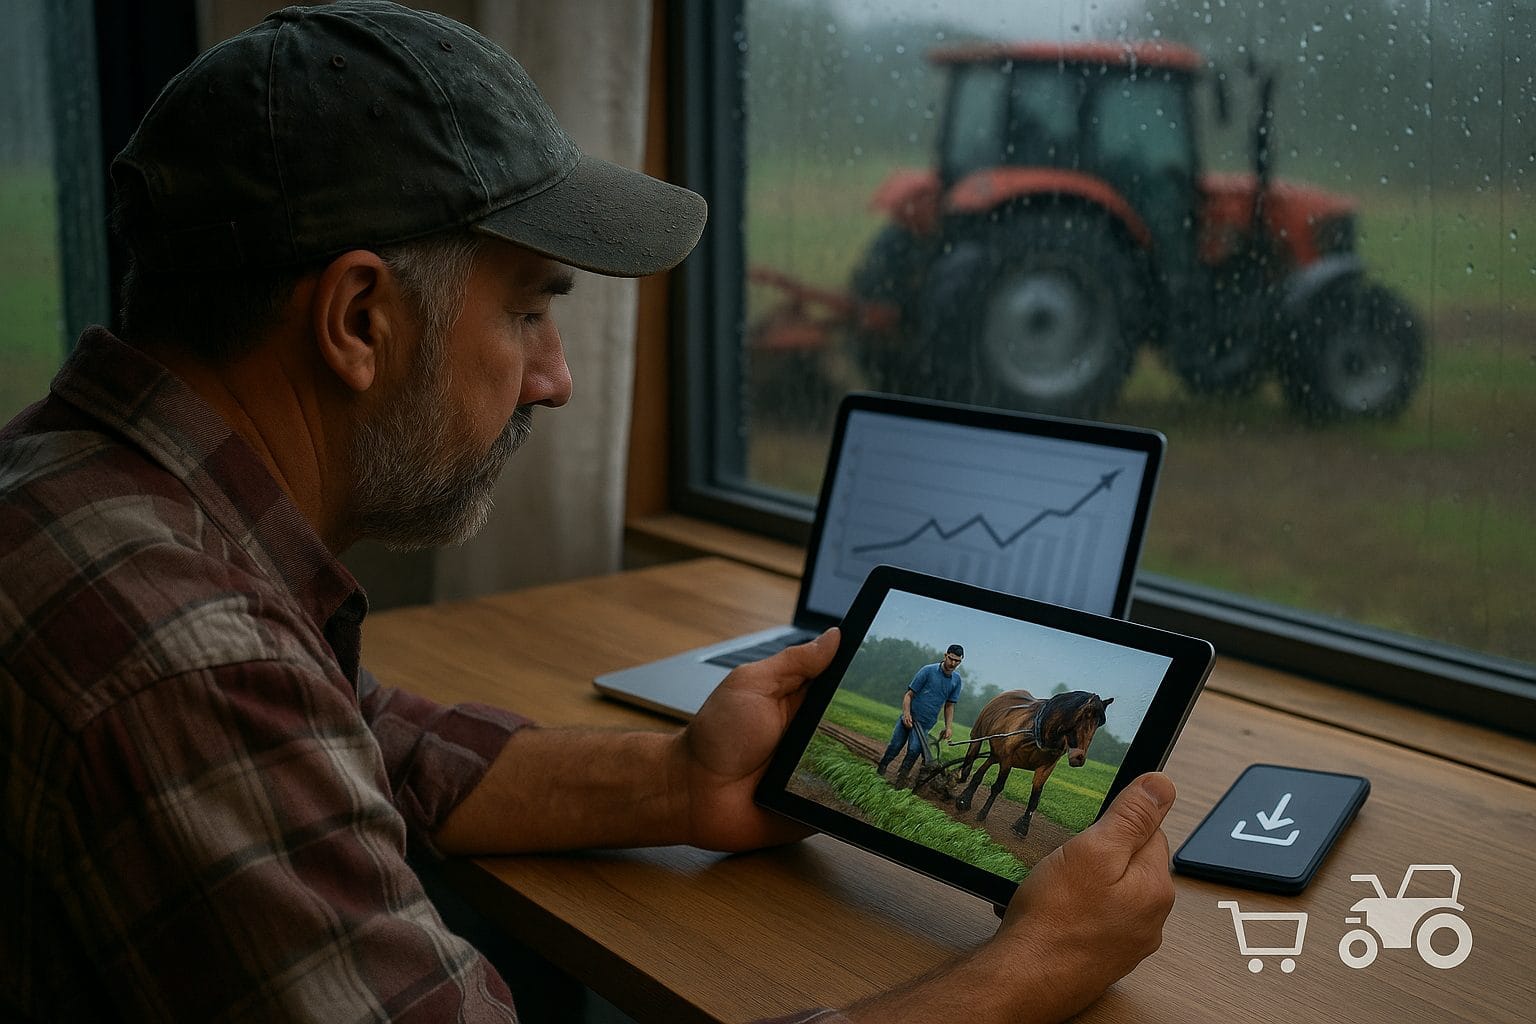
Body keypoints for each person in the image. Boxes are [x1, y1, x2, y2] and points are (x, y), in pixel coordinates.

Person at [0, 3, 1177, 1022]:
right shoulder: (184, 661)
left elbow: (357, 742)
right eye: (528, 312)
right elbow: (253, 714)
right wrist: (1025, 971)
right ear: (359, 319)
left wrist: (680, 783)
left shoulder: (84, 495)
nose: (555, 377)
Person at [878, 644, 964, 785]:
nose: (953, 663)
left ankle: (900, 780)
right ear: (945, 655)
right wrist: (906, 714)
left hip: (925, 724)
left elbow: (949, 705)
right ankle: (881, 768)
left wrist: (949, 727)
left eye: (957, 661)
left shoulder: (956, 680)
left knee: (914, 750)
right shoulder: (928, 671)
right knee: (895, 745)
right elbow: (908, 695)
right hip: (909, 717)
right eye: (951, 659)